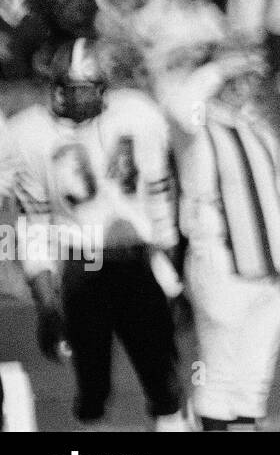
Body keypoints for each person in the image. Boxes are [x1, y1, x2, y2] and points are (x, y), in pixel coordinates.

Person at [3, 38, 186, 430]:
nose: (73, 99)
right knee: (92, 387)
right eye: (66, 88)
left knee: (162, 378)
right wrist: (47, 301)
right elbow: (35, 224)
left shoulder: (136, 115)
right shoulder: (31, 133)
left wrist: (173, 275)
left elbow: (159, 198)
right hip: (82, 263)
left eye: (84, 89)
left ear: (104, 88)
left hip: (136, 260)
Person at [157, 43, 280, 431]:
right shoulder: (196, 129)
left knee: (254, 379)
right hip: (220, 256)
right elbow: (178, 105)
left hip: (265, 264)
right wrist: (220, 67)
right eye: (235, 79)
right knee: (220, 371)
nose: (242, 86)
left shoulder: (255, 129)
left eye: (248, 78)